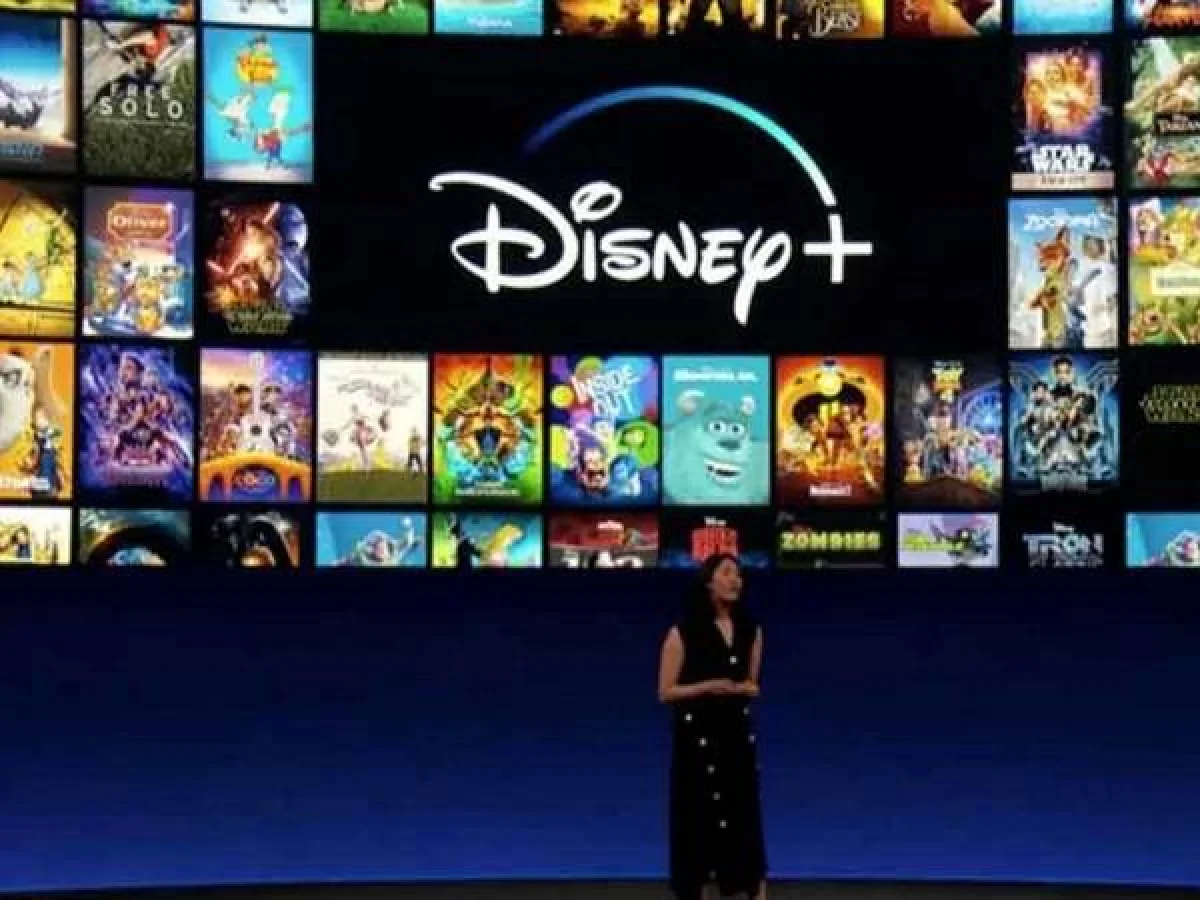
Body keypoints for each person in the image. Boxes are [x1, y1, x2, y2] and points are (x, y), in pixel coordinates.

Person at [658, 552, 766, 900]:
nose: (736, 580)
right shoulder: (683, 632)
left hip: (736, 737)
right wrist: (708, 687)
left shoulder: (751, 631)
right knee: (697, 825)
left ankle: (751, 888)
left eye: (739, 575)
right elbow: (665, 691)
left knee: (744, 823)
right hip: (697, 742)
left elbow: (752, 684)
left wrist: (743, 689)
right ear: (709, 582)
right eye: (727, 573)